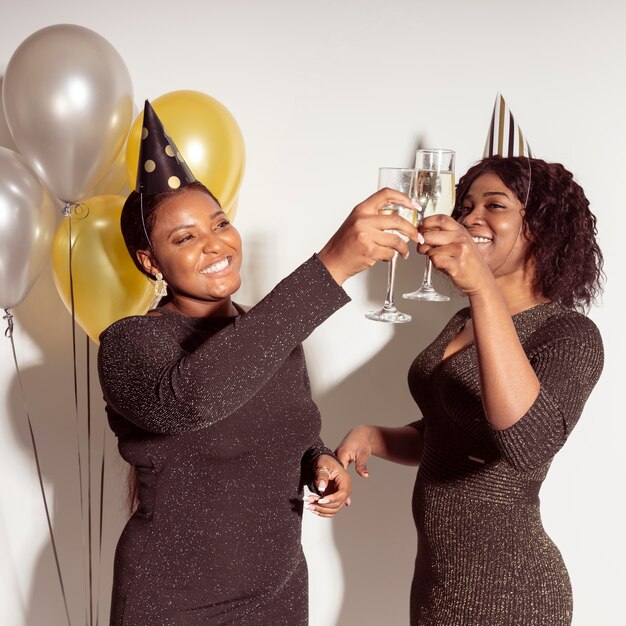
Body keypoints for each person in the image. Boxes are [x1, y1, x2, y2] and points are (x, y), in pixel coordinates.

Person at [97, 101, 419, 626]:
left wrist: (319, 460)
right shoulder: (129, 344)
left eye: (220, 223)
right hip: (174, 604)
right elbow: (194, 398)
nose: (214, 244)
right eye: (185, 238)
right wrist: (332, 264)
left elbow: (288, 425)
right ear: (150, 262)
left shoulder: (267, 331)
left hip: (278, 593)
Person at [337, 156, 604, 625]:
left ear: (541, 225)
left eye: (494, 204)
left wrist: (481, 288)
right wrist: (375, 436)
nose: (470, 218)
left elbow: (527, 441)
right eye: (465, 205)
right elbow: (453, 431)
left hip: (508, 590)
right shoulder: (461, 321)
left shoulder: (568, 335)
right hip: (439, 581)